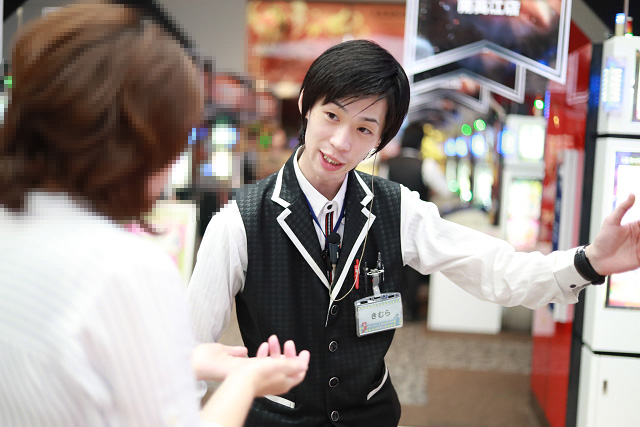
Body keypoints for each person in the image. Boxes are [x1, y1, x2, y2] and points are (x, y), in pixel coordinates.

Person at [187, 39, 640, 426]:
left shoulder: (396, 208)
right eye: (332, 116)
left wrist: (589, 262)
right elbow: (190, 349)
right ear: (307, 104)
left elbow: (495, 270)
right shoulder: (239, 220)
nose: (341, 142)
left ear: (380, 140)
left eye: (364, 129)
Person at [0, 4, 308, 427]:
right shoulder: (125, 271)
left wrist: (188, 360)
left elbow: (65, 374)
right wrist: (246, 381)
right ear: (141, 143)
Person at [385, 122, 449, 320]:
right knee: (413, 265)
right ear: (421, 142)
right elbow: (445, 191)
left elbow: (379, 189)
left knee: (393, 264)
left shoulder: (389, 164)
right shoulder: (426, 164)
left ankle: (390, 310)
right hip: (417, 224)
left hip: (391, 221)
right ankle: (410, 310)